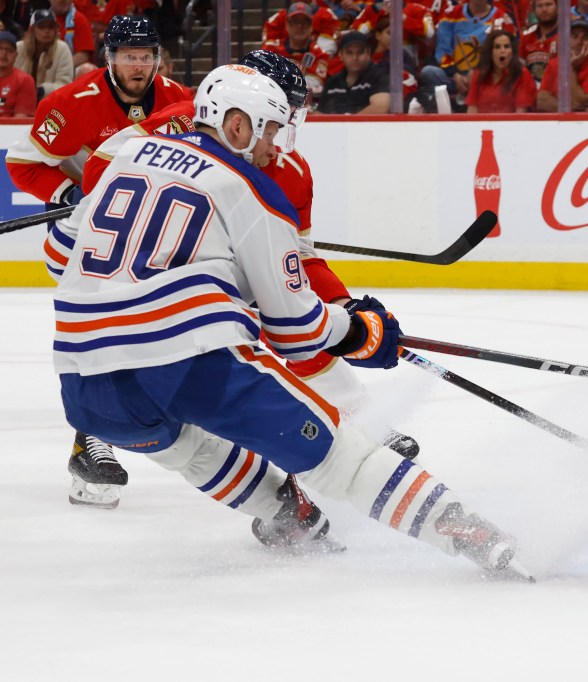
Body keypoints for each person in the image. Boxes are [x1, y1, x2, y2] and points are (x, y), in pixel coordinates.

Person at [54, 63, 532, 580]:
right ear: (238, 125)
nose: (275, 148)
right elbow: (297, 331)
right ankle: (471, 533)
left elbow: (61, 252)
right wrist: (359, 332)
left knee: (190, 450)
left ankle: (287, 515)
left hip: (82, 379)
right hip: (189, 357)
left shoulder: (127, 154)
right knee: (338, 455)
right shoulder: (250, 187)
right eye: (272, 130)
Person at [72, 49, 421, 544]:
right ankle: (93, 438)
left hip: (213, 278)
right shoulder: (175, 127)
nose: (285, 131)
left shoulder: (291, 170)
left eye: (291, 115)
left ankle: (341, 432)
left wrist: (343, 310)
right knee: (131, 361)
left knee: (281, 329)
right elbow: (103, 173)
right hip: (142, 271)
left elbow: (298, 264)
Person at [5, 14, 192, 509]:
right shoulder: (72, 103)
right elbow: (21, 163)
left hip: (146, 236)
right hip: (84, 237)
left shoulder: (180, 100)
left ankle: (111, 430)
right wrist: (70, 192)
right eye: (129, 56)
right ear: (108, 59)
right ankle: (91, 441)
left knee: (155, 331)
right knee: (100, 331)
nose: (139, 65)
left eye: (146, 55)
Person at [418, 0, 516, 112]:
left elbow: (507, 55)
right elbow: (443, 50)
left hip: (487, 77)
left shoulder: (502, 19)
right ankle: (448, 112)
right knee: (428, 72)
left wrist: (479, 72)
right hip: (455, 77)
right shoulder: (451, 14)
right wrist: (455, 74)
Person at [260, 2, 337, 98]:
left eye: (305, 22)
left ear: (311, 26)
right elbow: (261, 79)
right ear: (287, 25)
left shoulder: (320, 54)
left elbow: (316, 87)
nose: (300, 26)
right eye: (295, 21)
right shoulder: (270, 49)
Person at [536, 18, 588, 112]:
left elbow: (578, 104)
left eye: (585, 38)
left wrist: (571, 68)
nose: (579, 42)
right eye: (574, 36)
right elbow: (541, 100)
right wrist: (568, 110)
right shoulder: (555, 63)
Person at [317, 30, 389, 114]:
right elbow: (319, 114)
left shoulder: (379, 75)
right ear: (341, 55)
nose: (355, 58)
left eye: (360, 52)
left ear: (368, 53)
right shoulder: (332, 82)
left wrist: (347, 125)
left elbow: (381, 107)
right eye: (349, 53)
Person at [466, 28, 535, 113]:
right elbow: (471, 112)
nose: (502, 51)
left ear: (512, 51)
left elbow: (520, 116)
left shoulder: (522, 74)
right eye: (497, 47)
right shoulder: (478, 74)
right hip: (483, 125)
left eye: (506, 47)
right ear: (490, 52)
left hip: (511, 125)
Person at [14, 8, 71, 99]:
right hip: (19, 99)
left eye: (50, 27)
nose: (46, 31)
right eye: (41, 27)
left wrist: (42, 90)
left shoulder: (62, 49)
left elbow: (65, 85)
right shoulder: (19, 48)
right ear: (32, 29)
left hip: (50, 101)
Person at [520, 0, 557, 83]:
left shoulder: (566, 37)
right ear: (534, 10)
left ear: (558, 7)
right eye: (540, 6)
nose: (544, 9)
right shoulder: (526, 38)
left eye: (548, 4)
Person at [0, 29, 35, 115]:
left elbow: (20, 119)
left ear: (16, 55)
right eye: (0, 48)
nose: (3, 53)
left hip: (10, 128)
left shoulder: (24, 80)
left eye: (9, 50)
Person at [48, 0, 93, 67]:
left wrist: (61, 68)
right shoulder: (42, 21)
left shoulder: (79, 19)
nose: (63, 1)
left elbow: (83, 56)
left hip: (71, 69)